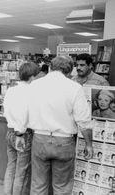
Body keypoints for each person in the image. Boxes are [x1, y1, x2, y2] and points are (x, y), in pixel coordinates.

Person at [27, 56, 93, 195]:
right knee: (62, 186)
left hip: (39, 138)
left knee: (38, 184)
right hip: (64, 141)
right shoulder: (75, 88)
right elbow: (83, 121)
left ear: (51, 67)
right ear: (69, 71)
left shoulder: (34, 85)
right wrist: (89, 144)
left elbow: (26, 112)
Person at [3, 62, 39, 195]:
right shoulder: (30, 92)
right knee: (22, 172)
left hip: (10, 131)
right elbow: (24, 114)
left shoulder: (11, 90)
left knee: (11, 166)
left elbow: (6, 111)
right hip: (23, 134)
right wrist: (21, 132)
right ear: (32, 77)